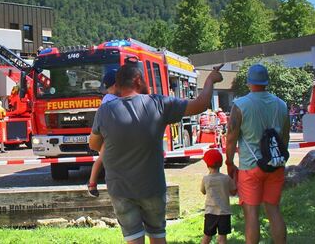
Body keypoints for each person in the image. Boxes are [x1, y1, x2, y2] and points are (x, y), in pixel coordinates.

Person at [89, 62, 223, 244]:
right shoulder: (158, 103)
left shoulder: (105, 111)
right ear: (137, 80)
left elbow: (94, 144)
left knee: (133, 239)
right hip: (152, 187)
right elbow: (201, 104)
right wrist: (210, 80)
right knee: (158, 236)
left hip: (120, 190)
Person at [225, 64, 289, 244]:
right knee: (274, 210)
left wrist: (229, 163)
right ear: (267, 82)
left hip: (250, 167)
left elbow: (231, 138)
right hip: (275, 165)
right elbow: (285, 136)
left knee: (251, 214)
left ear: (249, 83)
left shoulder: (240, 105)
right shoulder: (281, 105)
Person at [87, 69, 119, 197]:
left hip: (110, 134)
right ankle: (92, 183)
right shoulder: (111, 99)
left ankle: (92, 183)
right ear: (116, 85)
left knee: (102, 159)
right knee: (102, 158)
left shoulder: (108, 97)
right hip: (110, 136)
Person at [201, 149, 237, 244]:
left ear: (207, 165)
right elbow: (233, 192)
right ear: (221, 164)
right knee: (222, 238)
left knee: (207, 236)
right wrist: (235, 178)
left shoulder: (206, 179)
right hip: (224, 213)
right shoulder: (226, 178)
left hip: (210, 212)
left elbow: (203, 191)